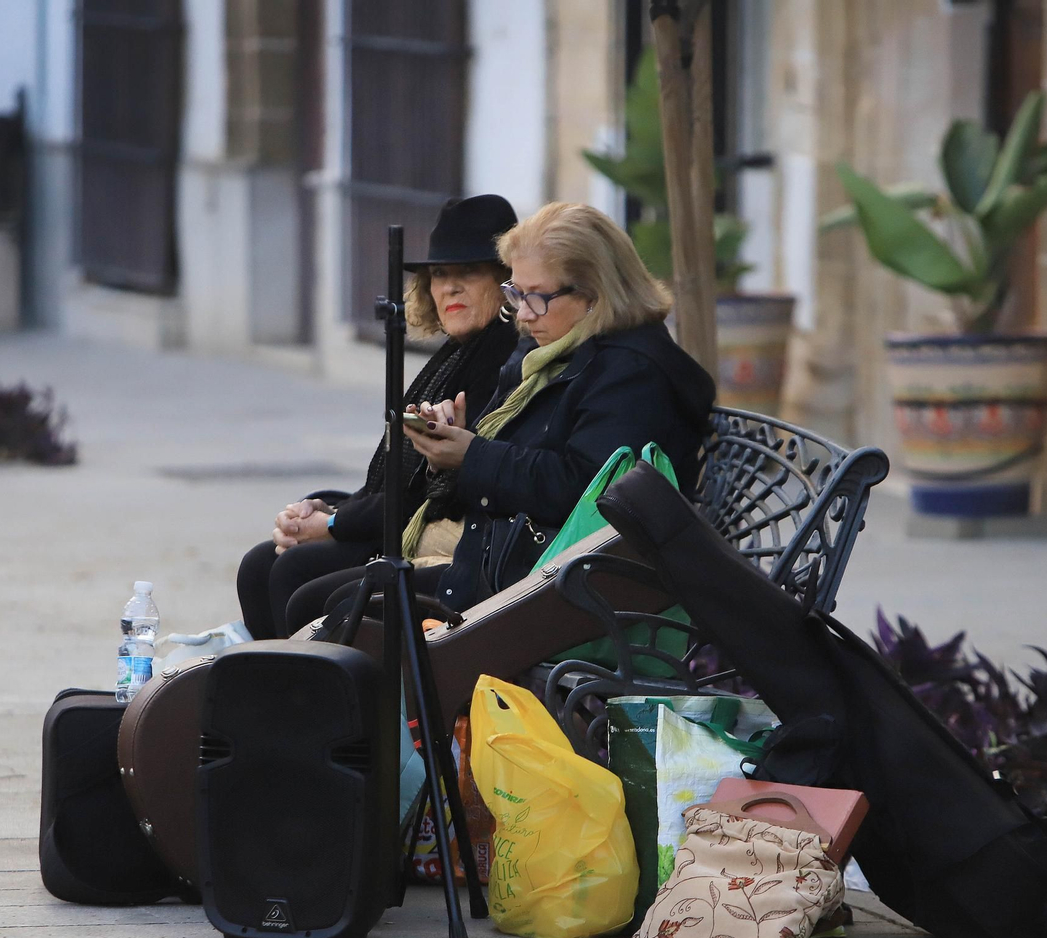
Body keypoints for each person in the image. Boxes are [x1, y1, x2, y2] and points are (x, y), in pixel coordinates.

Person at [395, 200, 715, 613]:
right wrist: (456, 445)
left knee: (341, 605)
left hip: (570, 591)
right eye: (516, 293)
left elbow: (588, 490)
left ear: (596, 294)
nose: (523, 315)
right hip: (517, 565)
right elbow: (528, 456)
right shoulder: (552, 351)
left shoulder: (631, 372)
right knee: (337, 599)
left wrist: (471, 455)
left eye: (537, 297)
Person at [235, 194, 522, 639]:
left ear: (506, 281)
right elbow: (389, 479)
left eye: (469, 272)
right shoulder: (460, 349)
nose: (449, 288)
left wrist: (333, 524)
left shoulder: (500, 353)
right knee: (260, 564)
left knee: (294, 572)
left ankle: (314, 701)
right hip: (398, 519)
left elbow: (422, 494)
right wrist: (324, 507)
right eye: (439, 274)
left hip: (437, 535)